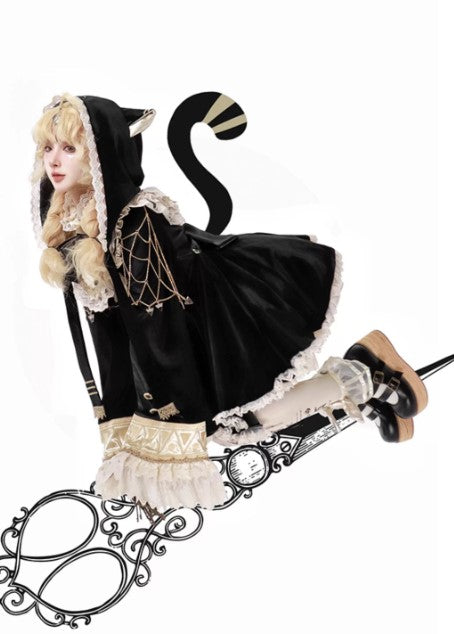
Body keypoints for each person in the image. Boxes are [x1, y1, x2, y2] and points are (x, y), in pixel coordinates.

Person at [30, 92, 428, 514]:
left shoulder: (134, 222)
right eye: (48, 148)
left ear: (101, 154)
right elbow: (109, 338)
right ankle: (359, 387)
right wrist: (124, 436)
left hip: (215, 320)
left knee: (249, 418)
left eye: (69, 148)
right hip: (178, 342)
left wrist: (171, 432)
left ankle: (367, 374)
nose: (54, 160)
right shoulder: (78, 226)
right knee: (237, 425)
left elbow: (159, 326)